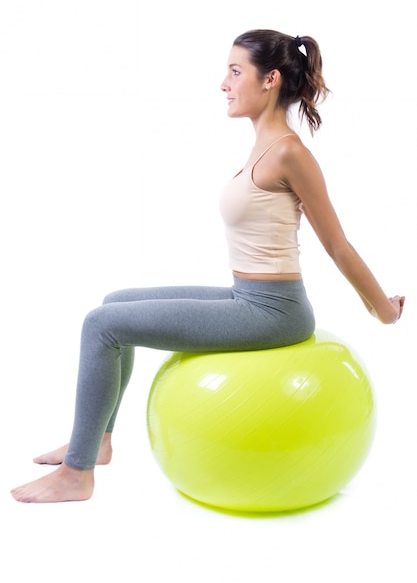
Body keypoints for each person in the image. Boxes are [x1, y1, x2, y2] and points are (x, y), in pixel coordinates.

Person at [11, 29, 405, 503]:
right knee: (113, 304)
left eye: (236, 72)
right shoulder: (261, 147)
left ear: (270, 80)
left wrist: (383, 310)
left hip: (275, 313)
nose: (224, 82)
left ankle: (77, 474)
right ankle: (98, 441)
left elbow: (338, 245)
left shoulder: (289, 152)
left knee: (102, 325)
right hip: (247, 296)